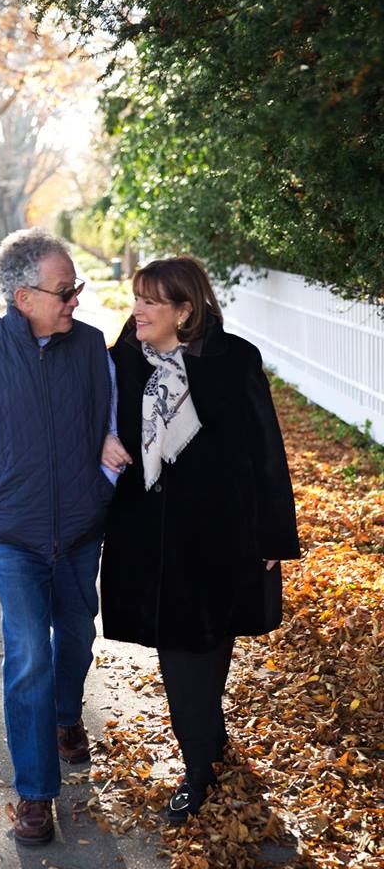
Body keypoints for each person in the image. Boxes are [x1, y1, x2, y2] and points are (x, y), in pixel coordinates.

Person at [100, 256, 300, 823]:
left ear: (185, 311)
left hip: (223, 534)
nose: (136, 310)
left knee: (211, 645)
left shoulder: (234, 359)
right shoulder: (124, 359)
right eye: (135, 298)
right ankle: (199, 768)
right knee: (182, 652)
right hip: (153, 539)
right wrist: (101, 442)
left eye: (150, 302)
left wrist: (273, 536)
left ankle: (207, 738)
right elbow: (91, 414)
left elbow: (266, 449)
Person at [0, 228, 117, 846]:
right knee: (27, 656)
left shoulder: (93, 346)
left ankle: (68, 717)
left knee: (74, 636)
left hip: (80, 528)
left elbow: (110, 421)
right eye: (65, 291)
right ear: (23, 297)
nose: (75, 301)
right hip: (12, 535)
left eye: (77, 289)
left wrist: (98, 478)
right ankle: (36, 792)